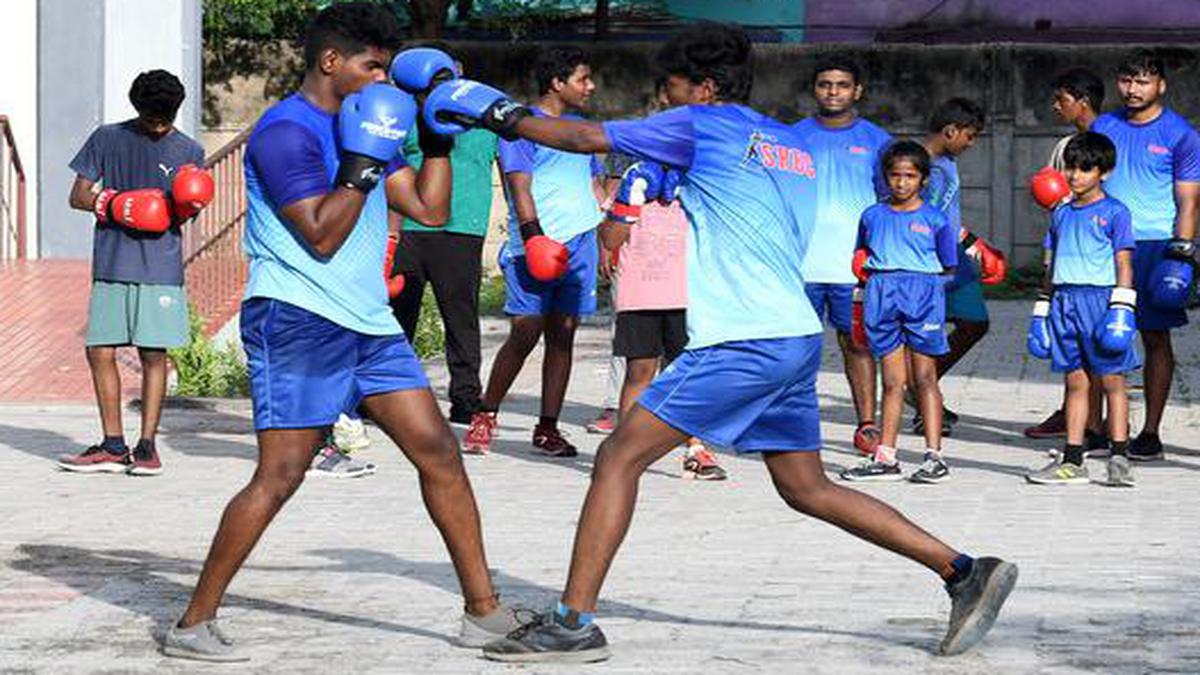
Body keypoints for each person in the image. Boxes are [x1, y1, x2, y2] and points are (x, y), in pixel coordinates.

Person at [422, 20, 1017, 662]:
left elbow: (578, 134)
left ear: (703, 87)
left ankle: (572, 623)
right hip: (789, 333)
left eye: (673, 87)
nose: (667, 99)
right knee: (807, 488)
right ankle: (964, 571)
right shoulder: (785, 142)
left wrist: (489, 107)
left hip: (744, 339)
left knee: (619, 457)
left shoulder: (700, 123)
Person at [164, 5, 523, 662]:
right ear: (332, 61)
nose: (383, 76)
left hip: (368, 324)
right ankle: (193, 622)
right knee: (281, 473)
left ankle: (484, 612)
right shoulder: (285, 132)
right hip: (298, 318)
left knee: (439, 451)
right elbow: (323, 234)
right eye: (372, 64)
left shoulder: (368, 123)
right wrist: (364, 158)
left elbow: (429, 209)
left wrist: (438, 138)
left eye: (387, 65)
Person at [58, 70, 210, 477]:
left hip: (161, 265)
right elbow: (77, 196)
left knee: (153, 353)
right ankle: (111, 444)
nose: (158, 127)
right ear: (137, 108)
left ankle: (146, 447)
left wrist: (183, 207)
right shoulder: (106, 138)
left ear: (175, 112)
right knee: (99, 351)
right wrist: (117, 204)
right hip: (112, 259)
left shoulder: (190, 150)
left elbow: (188, 211)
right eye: (150, 119)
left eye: (164, 119)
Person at [462, 46, 606, 457]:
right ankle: (486, 414)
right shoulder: (520, 125)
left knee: (564, 335)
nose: (591, 87)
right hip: (533, 245)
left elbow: (595, 186)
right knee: (525, 332)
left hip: (579, 245)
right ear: (557, 83)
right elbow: (519, 187)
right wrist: (535, 237)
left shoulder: (585, 129)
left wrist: (612, 230)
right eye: (583, 78)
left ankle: (547, 428)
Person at [1091, 50, 1200, 461]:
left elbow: (1188, 200)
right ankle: (1098, 428)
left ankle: (1150, 432)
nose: (1133, 89)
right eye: (1126, 80)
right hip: (1105, 243)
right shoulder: (1105, 126)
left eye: (1142, 81)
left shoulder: (1181, 134)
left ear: (1161, 85)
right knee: (1099, 333)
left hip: (1156, 246)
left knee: (1155, 337)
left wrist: (1182, 252)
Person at [390, 41, 499, 425]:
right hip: (410, 228)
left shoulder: (487, 117)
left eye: (447, 72)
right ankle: (387, 396)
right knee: (397, 317)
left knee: (461, 319)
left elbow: (517, 165)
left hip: (463, 230)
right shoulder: (408, 114)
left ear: (459, 71)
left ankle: (466, 399)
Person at [1025, 132, 1139, 486]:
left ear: (1103, 172)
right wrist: (1042, 307)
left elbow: (1124, 262)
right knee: (1075, 382)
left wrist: (1122, 306)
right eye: (1071, 168)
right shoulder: (1059, 213)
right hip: (1065, 301)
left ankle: (1119, 457)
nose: (1075, 175)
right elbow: (1051, 262)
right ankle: (1073, 459)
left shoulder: (1115, 212)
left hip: (1102, 300)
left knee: (1113, 381)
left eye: (1085, 168)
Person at [840, 141, 957, 483]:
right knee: (892, 381)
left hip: (922, 295)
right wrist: (862, 300)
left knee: (924, 378)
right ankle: (886, 456)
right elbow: (861, 256)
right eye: (895, 175)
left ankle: (935, 457)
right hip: (881, 294)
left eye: (910, 176)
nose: (902, 182)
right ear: (885, 177)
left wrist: (923, 290)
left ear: (923, 179)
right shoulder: (872, 215)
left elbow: (949, 264)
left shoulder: (935, 219)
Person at [602, 160, 726, 480]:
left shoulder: (698, 182)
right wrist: (629, 200)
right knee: (639, 372)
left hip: (687, 294)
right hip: (640, 293)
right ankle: (624, 450)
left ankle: (696, 449)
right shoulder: (635, 178)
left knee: (686, 375)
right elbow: (610, 240)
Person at [792, 57, 892, 456]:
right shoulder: (793, 138)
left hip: (854, 269)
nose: (833, 92)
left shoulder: (877, 140)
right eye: (824, 84)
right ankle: (791, 425)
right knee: (796, 346)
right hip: (800, 265)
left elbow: (891, 200)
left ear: (857, 91)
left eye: (842, 85)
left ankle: (867, 425)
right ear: (814, 89)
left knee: (858, 346)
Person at [1025, 67, 1108, 443]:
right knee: (1071, 342)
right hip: (1065, 254)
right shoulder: (1064, 147)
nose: (1056, 106)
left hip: (1101, 260)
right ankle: (1075, 416)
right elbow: (1056, 201)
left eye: (1062, 99)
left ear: (1083, 102)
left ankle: (1099, 425)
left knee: (1105, 346)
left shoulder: (1110, 141)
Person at [916, 98, 1005, 436]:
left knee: (975, 323)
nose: (972, 143)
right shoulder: (915, 165)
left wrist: (972, 244)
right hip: (926, 265)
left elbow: (947, 215)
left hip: (953, 257)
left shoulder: (948, 162)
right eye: (970, 135)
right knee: (926, 336)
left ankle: (921, 386)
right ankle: (925, 403)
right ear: (951, 130)